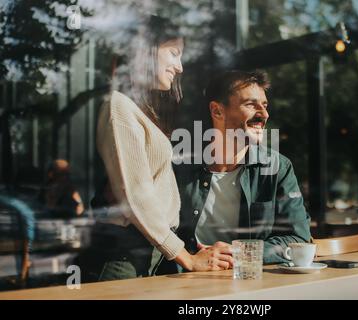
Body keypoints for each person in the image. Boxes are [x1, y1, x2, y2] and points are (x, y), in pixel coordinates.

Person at [86, 15, 232, 282]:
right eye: (174, 54)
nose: (180, 67)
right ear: (147, 51)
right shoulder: (118, 106)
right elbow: (136, 197)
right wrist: (186, 258)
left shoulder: (137, 111)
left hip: (148, 249)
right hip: (125, 255)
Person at [173, 70, 311, 265]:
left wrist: (241, 253)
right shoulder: (178, 166)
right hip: (184, 282)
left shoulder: (278, 168)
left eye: (264, 106)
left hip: (249, 282)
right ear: (217, 111)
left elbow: (298, 239)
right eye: (250, 104)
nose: (264, 114)